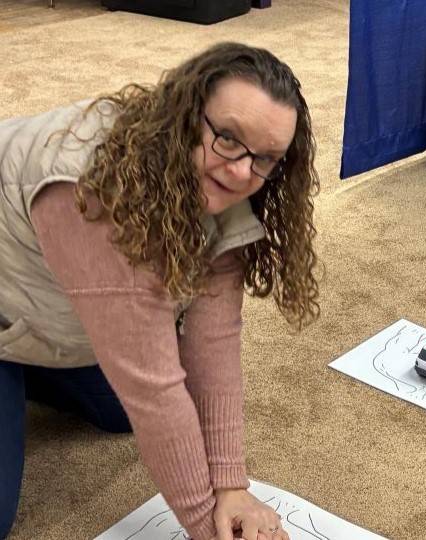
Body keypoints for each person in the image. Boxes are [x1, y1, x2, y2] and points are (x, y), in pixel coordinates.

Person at [0, 42, 319, 540]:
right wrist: (206, 528)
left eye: (266, 159)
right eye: (228, 138)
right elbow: (153, 389)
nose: (240, 172)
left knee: (118, 411)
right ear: (185, 111)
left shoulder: (223, 190)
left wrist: (231, 485)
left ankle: (31, 365)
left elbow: (214, 342)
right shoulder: (86, 189)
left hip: (42, 302)